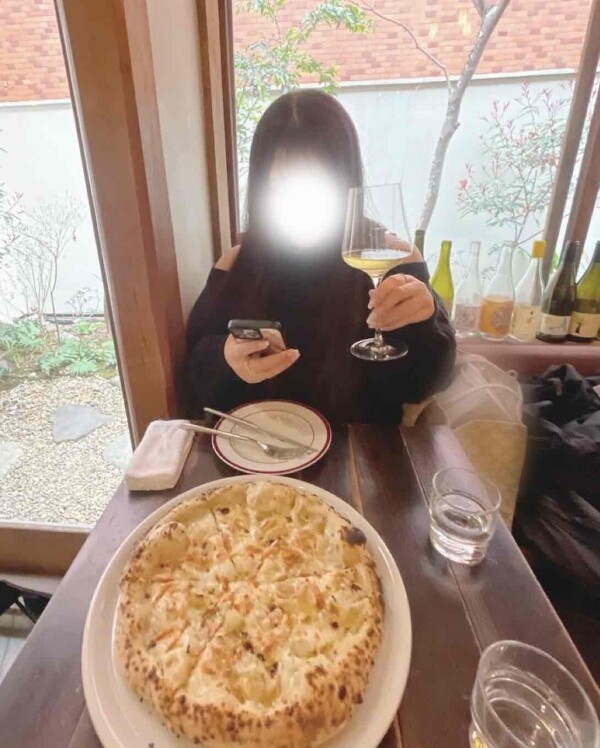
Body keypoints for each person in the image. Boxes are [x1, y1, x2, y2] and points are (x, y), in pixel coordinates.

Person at [185, 90, 456, 423]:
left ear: (346, 183)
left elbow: (428, 383)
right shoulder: (237, 265)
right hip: (257, 445)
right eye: (283, 187)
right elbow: (196, 374)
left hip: (361, 449)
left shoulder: (392, 259)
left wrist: (425, 323)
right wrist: (227, 361)